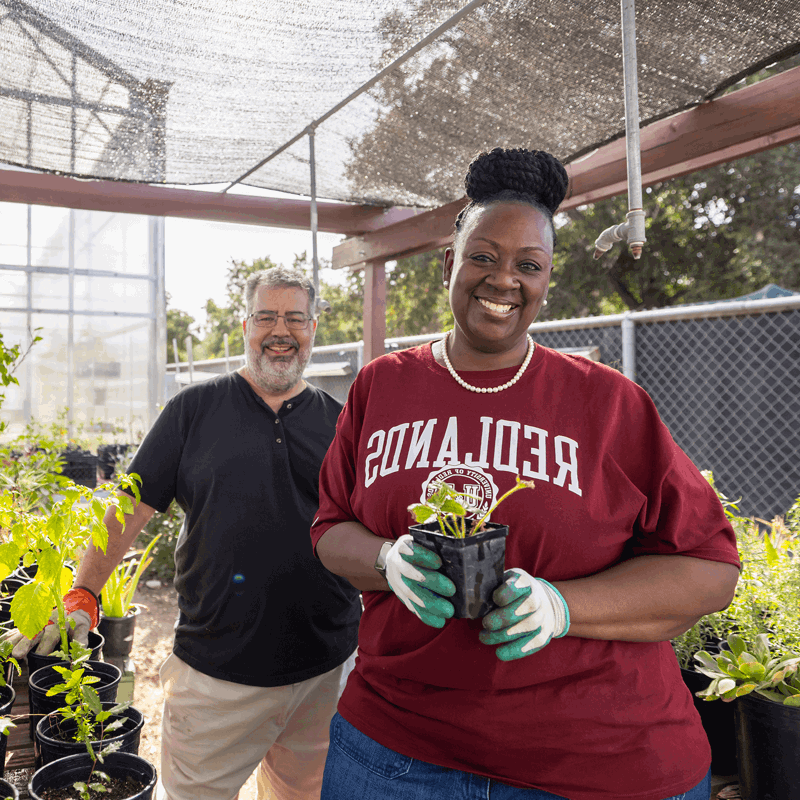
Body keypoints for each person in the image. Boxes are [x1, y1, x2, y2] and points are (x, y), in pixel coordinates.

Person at [310, 148, 740, 800]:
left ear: (546, 280)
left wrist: (564, 607)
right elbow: (330, 527)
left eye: (527, 265)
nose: (502, 279)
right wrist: (386, 558)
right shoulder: (382, 387)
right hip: (394, 754)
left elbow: (709, 571)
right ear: (449, 263)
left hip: (596, 758)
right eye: (483, 256)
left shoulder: (609, 403)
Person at [9, 267, 362, 800]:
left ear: (314, 327)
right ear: (245, 324)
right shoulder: (193, 410)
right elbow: (128, 509)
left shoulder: (341, 422)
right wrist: (84, 591)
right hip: (217, 674)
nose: (280, 330)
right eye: (266, 316)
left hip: (325, 673)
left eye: (295, 318)